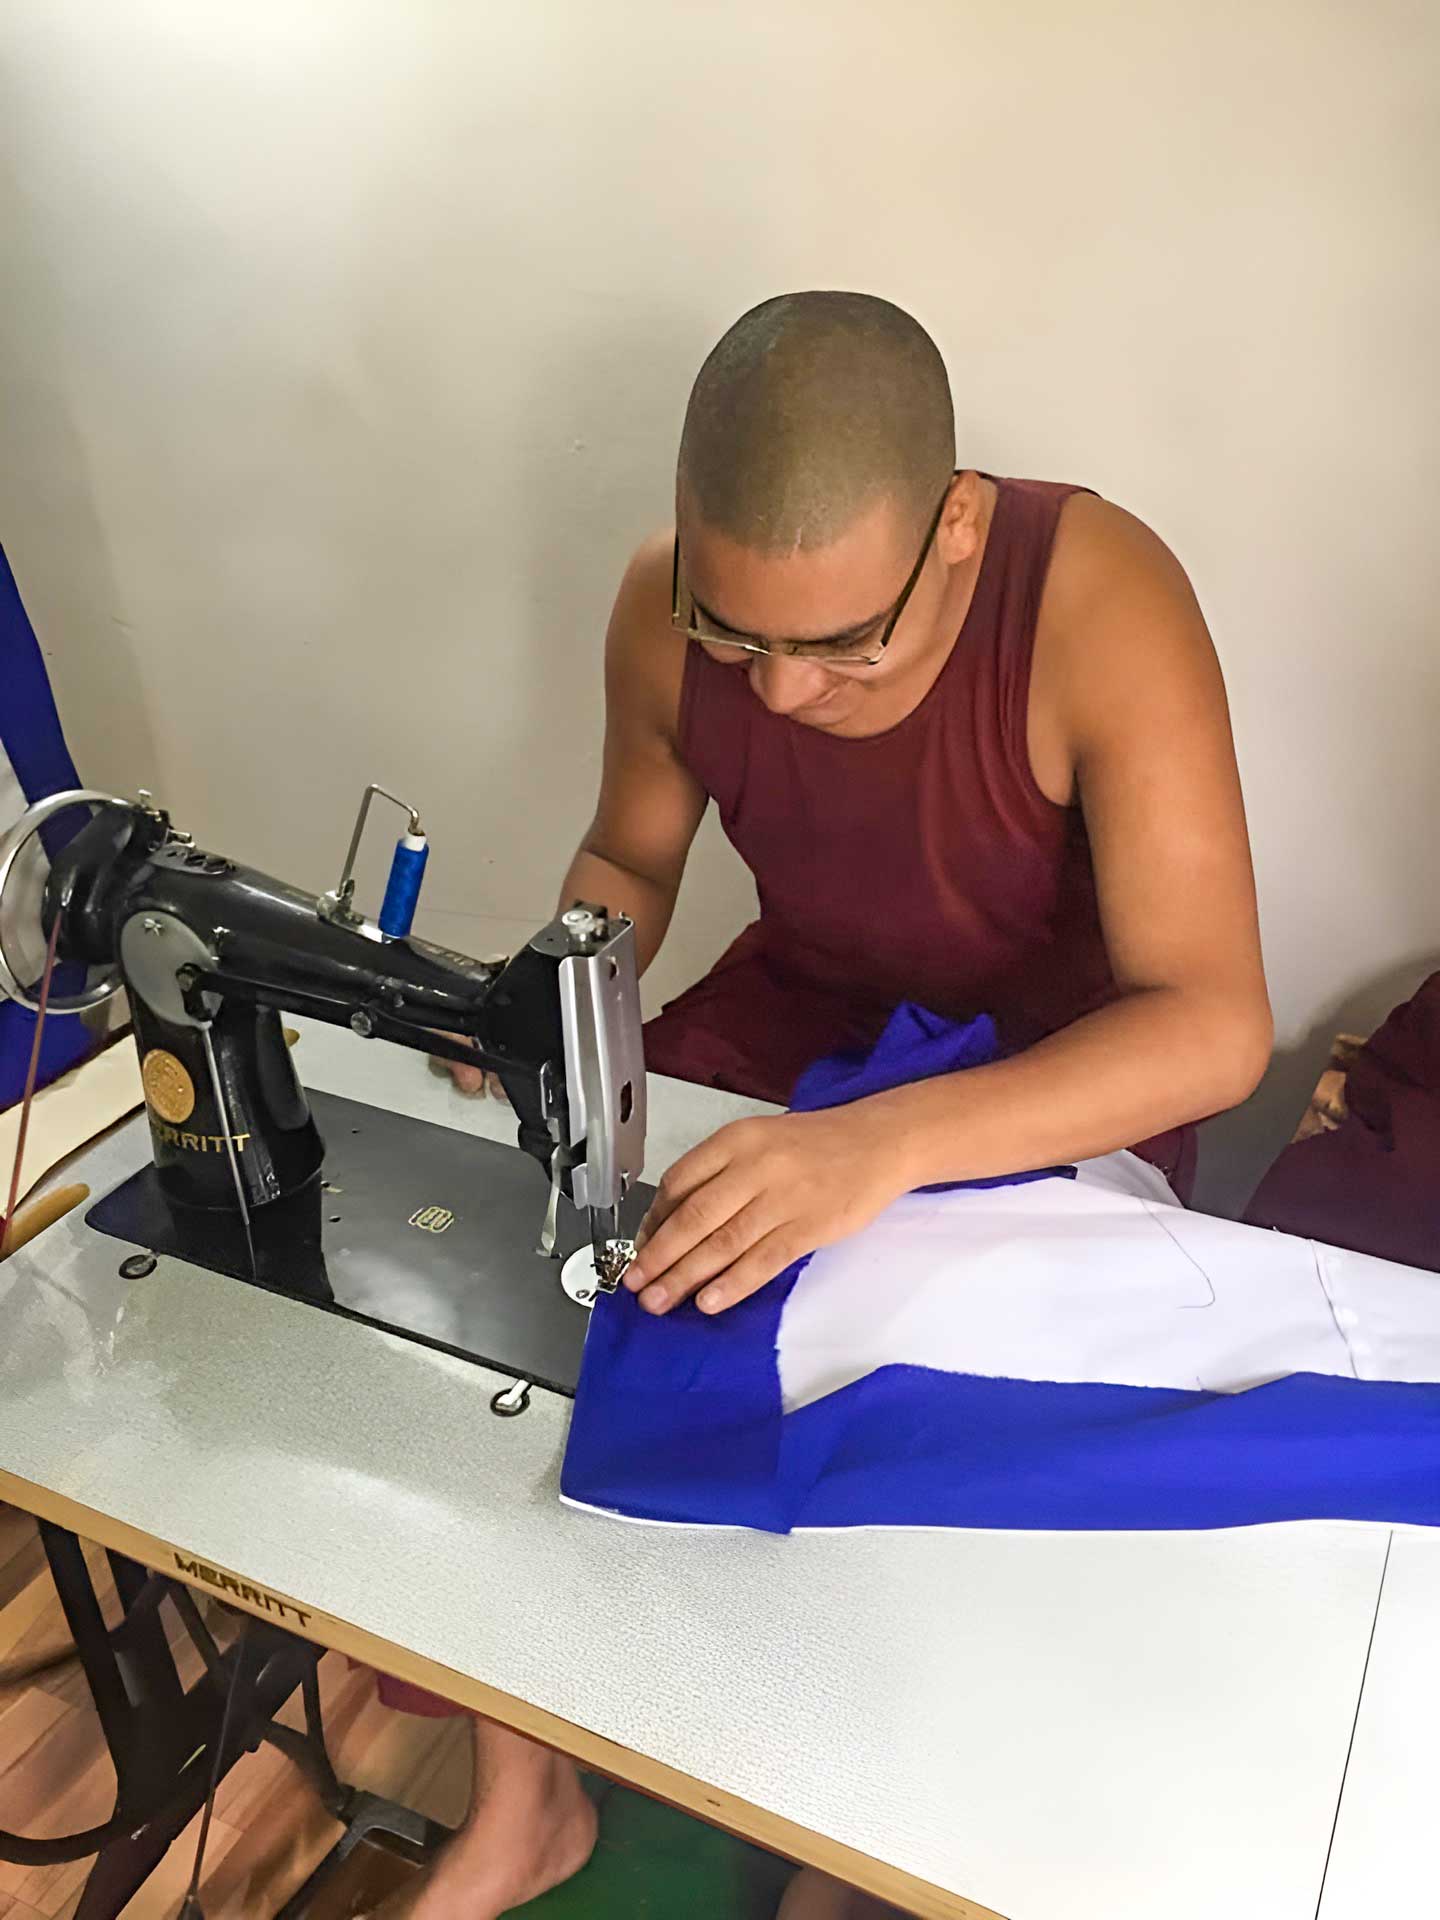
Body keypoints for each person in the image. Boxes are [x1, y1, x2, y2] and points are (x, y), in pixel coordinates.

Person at [388, 291, 1272, 1919]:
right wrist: (564, 979)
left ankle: (855, 1848)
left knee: (918, 1429)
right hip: (797, 1012)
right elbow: (635, 858)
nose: (781, 699)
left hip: (1046, 1073)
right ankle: (528, 1795)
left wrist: (877, 1151)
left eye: (846, 645)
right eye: (740, 641)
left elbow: (1214, 1025)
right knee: (544, 1305)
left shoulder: (1098, 598)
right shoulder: (659, 601)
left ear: (958, 528)